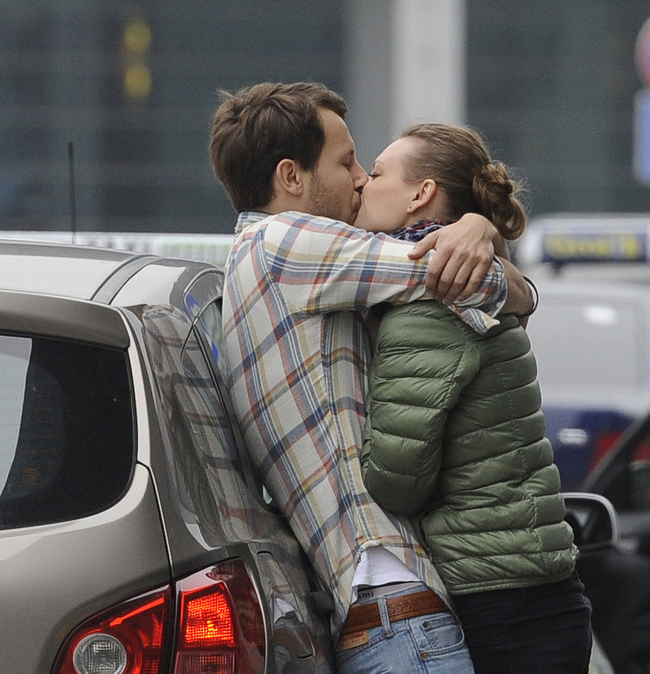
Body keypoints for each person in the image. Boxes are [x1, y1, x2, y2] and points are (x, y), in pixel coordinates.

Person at [207, 82, 535, 674]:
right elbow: (465, 279)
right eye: (345, 160)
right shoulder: (287, 244)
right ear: (291, 177)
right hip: (396, 603)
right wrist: (479, 237)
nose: (360, 177)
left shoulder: (250, 260)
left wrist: (481, 238)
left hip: (368, 610)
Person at [355, 123, 593, 674]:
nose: (364, 184)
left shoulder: (428, 304)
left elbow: (397, 480)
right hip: (535, 590)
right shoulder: (475, 280)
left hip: (497, 600)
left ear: (421, 194)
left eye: (377, 172)